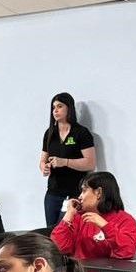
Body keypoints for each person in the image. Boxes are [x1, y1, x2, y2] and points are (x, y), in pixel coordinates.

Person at [52, 171, 136, 272]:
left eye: (84, 190)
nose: (80, 196)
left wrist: (104, 225)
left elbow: (126, 253)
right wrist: (68, 215)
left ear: (99, 193)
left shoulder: (125, 220)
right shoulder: (79, 218)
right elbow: (58, 248)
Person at [39, 92, 97, 228]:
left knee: (68, 230)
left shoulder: (81, 133)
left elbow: (90, 163)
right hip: (53, 191)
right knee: (52, 232)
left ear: (69, 108)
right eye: (53, 107)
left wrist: (65, 162)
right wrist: (44, 167)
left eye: (59, 106)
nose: (55, 110)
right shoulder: (50, 133)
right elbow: (42, 160)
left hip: (75, 191)